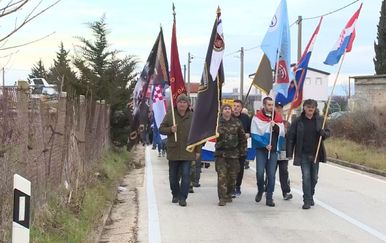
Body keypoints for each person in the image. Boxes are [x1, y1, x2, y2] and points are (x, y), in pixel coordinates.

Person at [287, 99, 330, 209]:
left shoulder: (320, 120)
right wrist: (290, 152)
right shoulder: (298, 121)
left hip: (316, 153)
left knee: (314, 178)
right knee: (306, 177)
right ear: (304, 108)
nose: (310, 108)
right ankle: (306, 200)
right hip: (303, 154)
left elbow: (329, 132)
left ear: (315, 108)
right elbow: (291, 137)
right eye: (308, 106)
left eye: (312, 107)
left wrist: (324, 133)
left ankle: (310, 195)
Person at [159, 94, 199, 207]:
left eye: (184, 102)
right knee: (173, 176)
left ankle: (183, 197)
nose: (182, 104)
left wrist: (198, 150)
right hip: (174, 151)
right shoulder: (170, 115)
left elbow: (197, 136)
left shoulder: (193, 116)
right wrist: (170, 129)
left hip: (188, 151)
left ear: (188, 104)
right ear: (177, 103)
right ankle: (175, 194)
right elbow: (161, 129)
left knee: (186, 175)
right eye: (180, 102)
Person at [251, 97, 285, 207]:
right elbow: (254, 134)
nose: (271, 107)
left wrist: (275, 127)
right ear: (264, 105)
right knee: (260, 173)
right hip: (262, 150)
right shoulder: (257, 118)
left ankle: (269, 196)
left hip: (273, 150)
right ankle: (260, 189)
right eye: (269, 105)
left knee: (271, 175)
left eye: (272, 105)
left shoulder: (278, 117)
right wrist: (264, 144)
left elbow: (282, 133)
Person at [215, 104, 247, 206]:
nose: (227, 110)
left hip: (234, 154)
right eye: (225, 109)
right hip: (221, 155)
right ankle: (222, 198)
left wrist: (243, 152)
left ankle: (228, 194)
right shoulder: (216, 123)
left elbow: (242, 138)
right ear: (222, 111)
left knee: (232, 177)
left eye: (229, 109)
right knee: (222, 176)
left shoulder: (237, 123)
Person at [232, 100, 251, 198]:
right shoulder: (228, 117)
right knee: (231, 168)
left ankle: (237, 186)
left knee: (239, 168)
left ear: (241, 108)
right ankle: (231, 187)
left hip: (241, 148)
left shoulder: (246, 118)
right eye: (234, 106)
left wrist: (249, 134)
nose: (235, 108)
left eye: (238, 106)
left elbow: (251, 130)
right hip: (230, 148)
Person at [274, 101, 293, 200]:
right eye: (276, 108)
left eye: (280, 108)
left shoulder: (287, 124)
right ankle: (267, 189)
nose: (278, 110)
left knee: (284, 172)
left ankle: (286, 192)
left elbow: (291, 139)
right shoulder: (270, 122)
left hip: (283, 151)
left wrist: (286, 132)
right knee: (270, 172)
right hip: (272, 151)